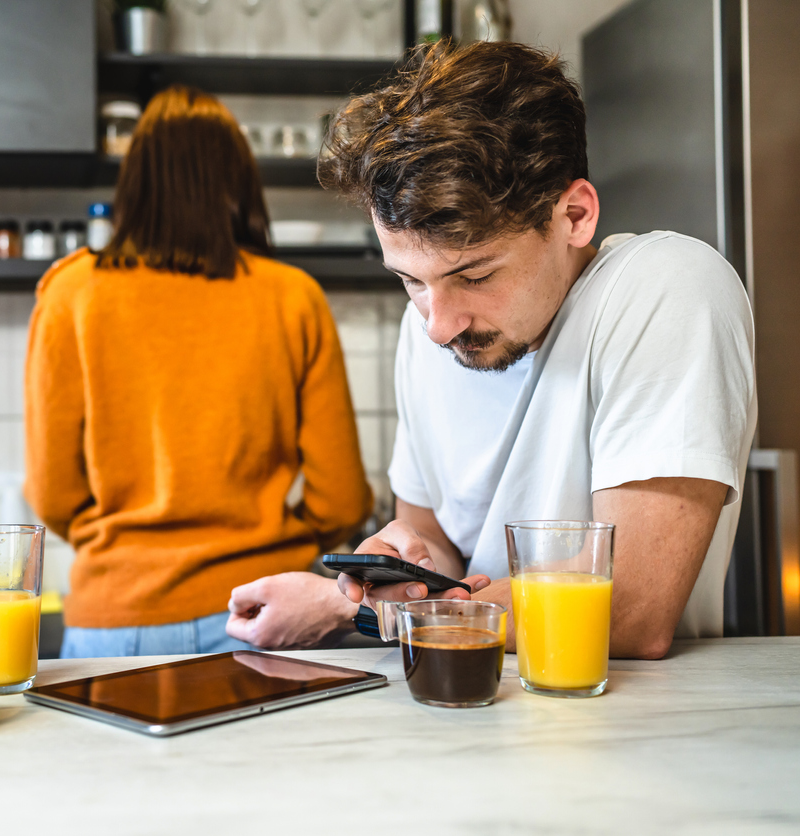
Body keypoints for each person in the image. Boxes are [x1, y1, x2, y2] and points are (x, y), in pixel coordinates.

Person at [225, 41, 756, 660]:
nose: (438, 326)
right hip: (461, 703)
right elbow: (436, 536)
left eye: (474, 276)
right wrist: (405, 566)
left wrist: (362, 612)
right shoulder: (424, 327)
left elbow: (630, 612)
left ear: (575, 214)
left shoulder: (666, 286)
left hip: (628, 724)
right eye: (410, 279)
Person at [25, 85, 374, 658]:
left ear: (134, 180)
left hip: (115, 618)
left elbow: (52, 494)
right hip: (262, 613)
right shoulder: (292, 297)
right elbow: (340, 498)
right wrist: (275, 542)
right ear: (238, 181)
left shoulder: (70, 294)